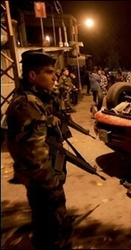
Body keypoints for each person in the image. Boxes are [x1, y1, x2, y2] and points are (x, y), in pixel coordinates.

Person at [5, 49, 73, 249]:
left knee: (47, 227)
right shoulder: (27, 104)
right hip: (42, 183)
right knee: (54, 234)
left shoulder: (35, 99)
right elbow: (34, 155)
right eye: (49, 72)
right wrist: (53, 185)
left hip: (41, 180)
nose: (55, 77)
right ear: (33, 75)